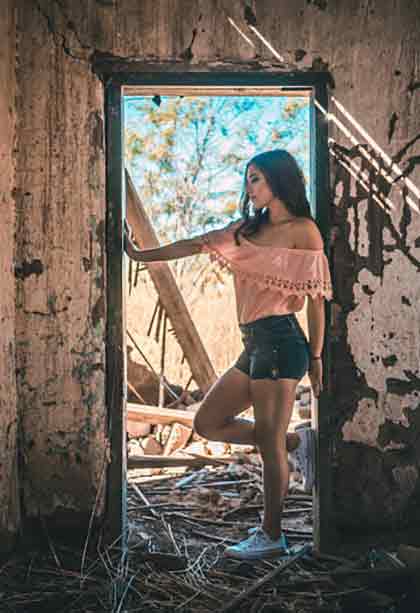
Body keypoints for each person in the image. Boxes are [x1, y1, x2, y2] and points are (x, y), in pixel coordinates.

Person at [124, 149, 333, 560]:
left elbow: (316, 300)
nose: (248, 187)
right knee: (207, 422)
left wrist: (317, 357)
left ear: (278, 180)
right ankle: (297, 442)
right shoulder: (245, 231)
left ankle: (272, 535)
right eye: (247, 179)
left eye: (255, 178)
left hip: (282, 342)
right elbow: (193, 244)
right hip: (253, 344)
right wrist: (138, 255)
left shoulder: (302, 230)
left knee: (267, 445)